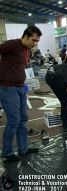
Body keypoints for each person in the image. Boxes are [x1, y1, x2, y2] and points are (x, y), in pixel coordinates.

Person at [0, 26, 42, 161]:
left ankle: (23, 149)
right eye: (33, 40)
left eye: (37, 41)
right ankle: (7, 152)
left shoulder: (26, 50)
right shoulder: (12, 44)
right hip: (8, 88)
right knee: (13, 120)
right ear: (25, 36)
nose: (35, 44)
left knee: (23, 119)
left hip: (20, 87)